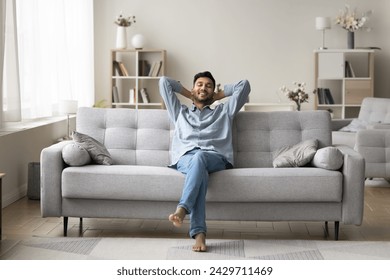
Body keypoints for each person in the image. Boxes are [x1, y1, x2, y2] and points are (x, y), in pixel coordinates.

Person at [159, 71, 251, 252]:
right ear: (193, 88)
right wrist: (189, 93)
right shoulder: (179, 112)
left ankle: (183, 209)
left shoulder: (224, 110)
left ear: (213, 91)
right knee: (197, 165)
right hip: (185, 159)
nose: (203, 88)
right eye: (199, 84)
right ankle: (199, 234)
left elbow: (244, 85)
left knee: (200, 157)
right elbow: (164, 82)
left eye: (208, 85)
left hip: (215, 157)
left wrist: (219, 95)